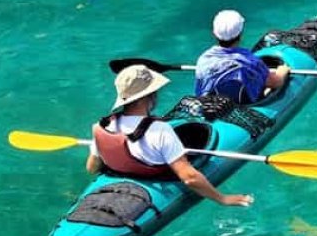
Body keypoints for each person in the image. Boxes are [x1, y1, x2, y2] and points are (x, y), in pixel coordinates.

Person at [87, 64, 253, 207]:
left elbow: (92, 168)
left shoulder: (104, 126)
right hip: (160, 181)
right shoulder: (160, 130)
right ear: (147, 96)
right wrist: (223, 199)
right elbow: (189, 178)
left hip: (122, 179)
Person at [195, 10, 291, 104]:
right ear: (240, 35)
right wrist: (283, 71)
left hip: (214, 105)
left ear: (214, 33)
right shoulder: (250, 61)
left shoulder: (203, 59)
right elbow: (275, 82)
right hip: (244, 103)